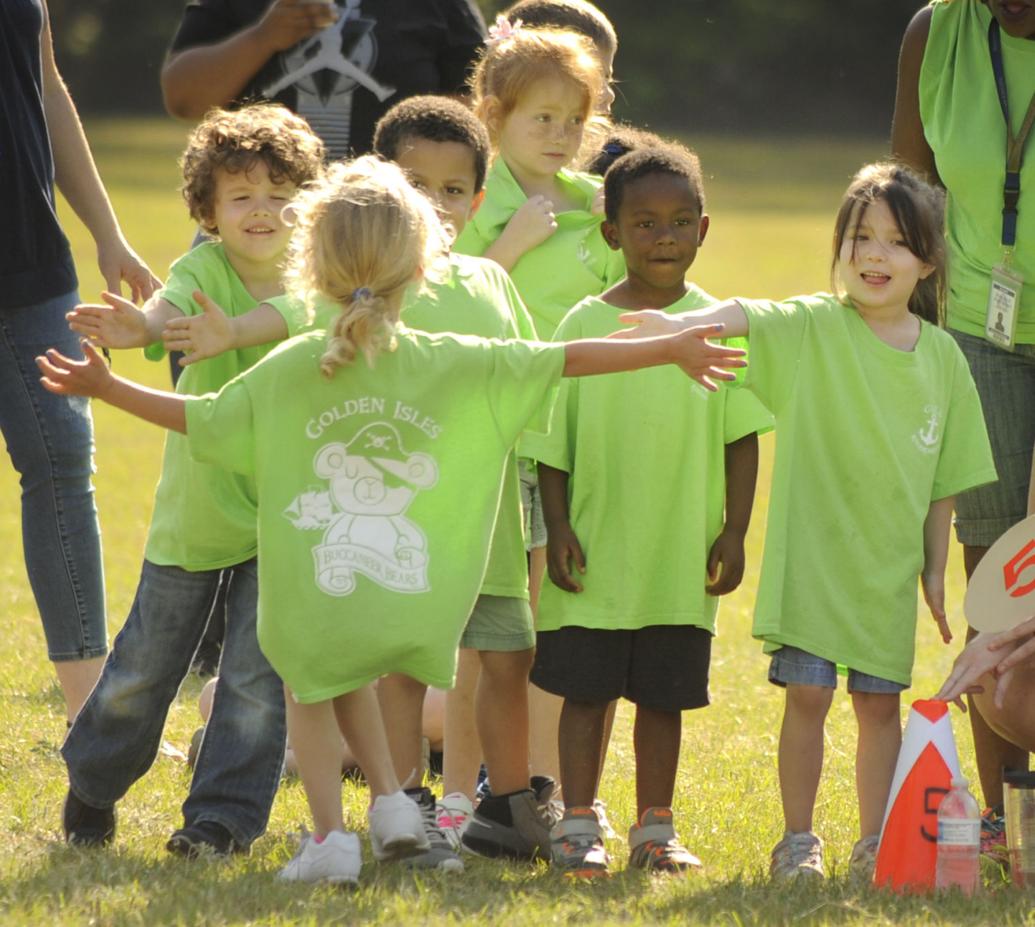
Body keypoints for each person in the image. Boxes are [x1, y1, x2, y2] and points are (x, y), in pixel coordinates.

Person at [37, 155, 746, 885]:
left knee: (312, 687)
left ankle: (330, 840)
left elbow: (200, 415)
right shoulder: (449, 357)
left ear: (308, 264)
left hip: (318, 588)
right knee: (352, 678)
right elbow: (561, 358)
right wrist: (667, 344)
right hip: (413, 606)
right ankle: (396, 804)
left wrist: (107, 386)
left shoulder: (295, 363)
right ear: (423, 266)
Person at [158, 95, 566, 866]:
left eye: (454, 191)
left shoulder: (486, 279)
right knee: (398, 667)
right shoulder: (353, 297)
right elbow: (287, 326)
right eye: (420, 187)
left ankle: (497, 805)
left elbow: (529, 385)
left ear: (477, 200)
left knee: (502, 659)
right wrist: (229, 333)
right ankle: (402, 807)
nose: (438, 205)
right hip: (402, 528)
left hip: (487, 523)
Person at [616, 162, 998, 882]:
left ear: (927, 259)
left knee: (878, 705)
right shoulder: (816, 326)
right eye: (859, 237)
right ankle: (798, 841)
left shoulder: (943, 357)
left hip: (881, 568)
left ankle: (873, 840)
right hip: (810, 561)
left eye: (893, 241)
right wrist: (678, 325)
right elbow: (744, 312)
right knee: (810, 696)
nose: (873, 255)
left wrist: (932, 571)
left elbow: (944, 480)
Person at [58, 105, 325, 858]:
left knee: (254, 676)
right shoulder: (202, 268)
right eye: (242, 197)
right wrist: (140, 329)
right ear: (207, 213)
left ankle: (221, 819)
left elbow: (301, 313)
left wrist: (235, 332)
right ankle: (94, 780)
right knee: (145, 666)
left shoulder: (320, 273)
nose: (264, 210)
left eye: (282, 193)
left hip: (291, 511)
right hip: (201, 505)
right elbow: (165, 306)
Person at [525, 143, 771, 877]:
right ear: (611, 234)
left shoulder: (717, 324)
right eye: (644, 223)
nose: (663, 236)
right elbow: (551, 444)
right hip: (595, 550)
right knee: (586, 691)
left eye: (679, 221)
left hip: (678, 554)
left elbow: (741, 439)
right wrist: (559, 524)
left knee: (663, 697)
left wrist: (732, 528)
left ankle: (653, 830)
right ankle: (576, 821)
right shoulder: (580, 323)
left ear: (703, 229)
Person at [452, 16, 624, 805]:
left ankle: (544, 788)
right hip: (502, 445)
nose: (559, 135)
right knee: (485, 639)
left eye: (572, 120)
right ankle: (458, 795)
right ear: (492, 115)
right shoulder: (477, 209)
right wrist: (509, 245)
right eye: (539, 118)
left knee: (564, 630)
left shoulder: (602, 204)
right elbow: (444, 305)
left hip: (588, 445)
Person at [892, 0, 1035, 847]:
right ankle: (1003, 816)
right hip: (976, 330)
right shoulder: (935, 34)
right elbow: (908, 195)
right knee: (996, 580)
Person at [0, 0, 159, 724]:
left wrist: (107, 230)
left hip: (32, 256)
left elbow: (47, 85)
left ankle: (90, 718)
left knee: (64, 463)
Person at [160, 0, 487, 160]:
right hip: (255, 219)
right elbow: (182, 97)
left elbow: (481, 110)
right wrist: (262, 38)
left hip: (389, 224)